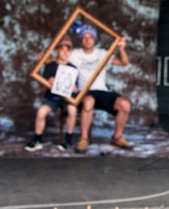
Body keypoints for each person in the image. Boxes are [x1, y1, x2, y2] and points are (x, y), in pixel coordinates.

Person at [69, 24, 131, 153]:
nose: (87, 40)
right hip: (83, 92)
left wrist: (121, 48)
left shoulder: (102, 53)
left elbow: (124, 63)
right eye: (84, 37)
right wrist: (45, 58)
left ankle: (117, 137)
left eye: (90, 37)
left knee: (125, 105)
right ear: (81, 40)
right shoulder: (74, 54)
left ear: (95, 39)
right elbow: (58, 58)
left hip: (101, 91)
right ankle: (84, 139)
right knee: (88, 101)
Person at [25, 34, 78, 152]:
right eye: (62, 49)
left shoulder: (73, 68)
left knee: (72, 110)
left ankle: (68, 139)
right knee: (41, 111)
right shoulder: (50, 66)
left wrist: (74, 88)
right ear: (56, 51)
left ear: (70, 52)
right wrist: (48, 83)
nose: (65, 53)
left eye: (67, 50)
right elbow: (42, 89)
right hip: (52, 98)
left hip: (66, 99)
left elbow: (76, 89)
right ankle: (37, 139)